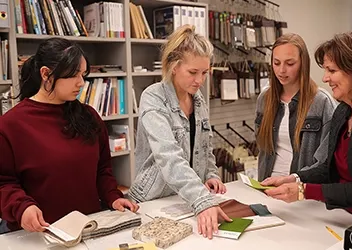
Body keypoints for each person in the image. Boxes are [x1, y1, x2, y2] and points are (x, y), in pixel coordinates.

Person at [0, 38, 139, 233]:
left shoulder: (89, 116)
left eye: (83, 75)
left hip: (89, 227)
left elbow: (102, 170)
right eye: (73, 75)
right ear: (46, 74)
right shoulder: (11, 125)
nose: (81, 83)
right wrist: (21, 207)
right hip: (39, 233)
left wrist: (113, 197)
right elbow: (4, 182)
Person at [262, 31, 352, 217]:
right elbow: (328, 168)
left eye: (332, 71)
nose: (325, 78)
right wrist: (295, 178)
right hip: (340, 215)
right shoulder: (343, 111)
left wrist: (304, 191)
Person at [129, 25, 231, 239]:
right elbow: (168, 156)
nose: (200, 80)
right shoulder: (153, 98)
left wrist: (210, 174)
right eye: (193, 72)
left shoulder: (198, 99)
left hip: (186, 199)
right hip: (154, 199)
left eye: (204, 73)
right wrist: (202, 200)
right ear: (174, 66)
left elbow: (206, 145)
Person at [256, 33, 336, 181]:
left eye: (290, 63)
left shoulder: (322, 102)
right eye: (276, 63)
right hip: (267, 187)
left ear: (303, 63)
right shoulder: (264, 99)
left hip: (301, 192)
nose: (281, 70)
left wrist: (295, 181)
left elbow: (325, 162)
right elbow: (263, 150)